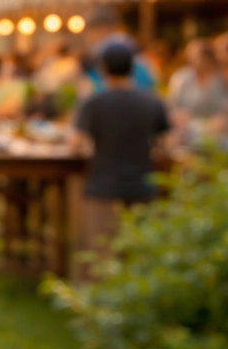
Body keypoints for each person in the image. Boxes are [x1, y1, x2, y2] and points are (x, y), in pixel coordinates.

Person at [73, 42, 171, 256]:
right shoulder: (153, 103)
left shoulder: (93, 104)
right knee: (140, 256)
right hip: (143, 186)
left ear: (103, 68)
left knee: (102, 255)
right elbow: (167, 146)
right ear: (132, 67)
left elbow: (76, 144)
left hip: (103, 188)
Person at [165, 38, 228, 152]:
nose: (195, 61)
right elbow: (171, 104)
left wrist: (220, 119)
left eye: (199, 57)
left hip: (214, 131)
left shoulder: (220, 79)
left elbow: (227, 106)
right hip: (185, 129)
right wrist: (179, 115)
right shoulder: (182, 77)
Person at [81, 5, 158, 93]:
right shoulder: (135, 51)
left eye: (91, 30)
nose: (88, 36)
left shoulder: (104, 53)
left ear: (105, 29)